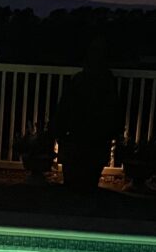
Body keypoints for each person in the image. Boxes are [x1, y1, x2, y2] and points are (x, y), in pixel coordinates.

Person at [51, 36, 123, 191]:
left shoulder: (81, 80)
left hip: (80, 133)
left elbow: (65, 107)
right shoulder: (106, 82)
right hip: (95, 135)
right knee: (89, 172)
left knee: (76, 172)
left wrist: (60, 129)